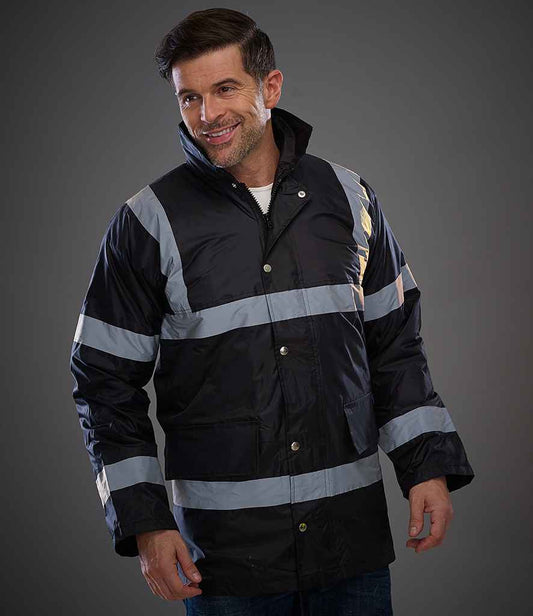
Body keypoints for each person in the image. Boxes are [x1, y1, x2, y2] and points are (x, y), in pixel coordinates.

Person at [69, 8, 475, 615]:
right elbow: (103, 383)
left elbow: (395, 347)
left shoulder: (349, 197)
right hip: (226, 560)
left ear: (271, 87)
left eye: (225, 89)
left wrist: (426, 468)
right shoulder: (146, 224)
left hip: (350, 545)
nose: (207, 115)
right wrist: (145, 523)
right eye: (189, 98)